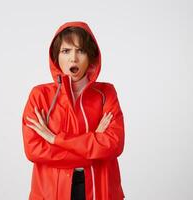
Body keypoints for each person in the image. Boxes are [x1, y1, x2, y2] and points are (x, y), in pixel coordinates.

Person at [22, 21, 125, 200]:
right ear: (56, 56)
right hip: (51, 191)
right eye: (66, 51)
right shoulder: (40, 95)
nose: (73, 58)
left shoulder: (106, 93)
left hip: (101, 189)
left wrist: (55, 139)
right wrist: (93, 147)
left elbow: (113, 145)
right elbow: (34, 150)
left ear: (91, 56)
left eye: (81, 50)